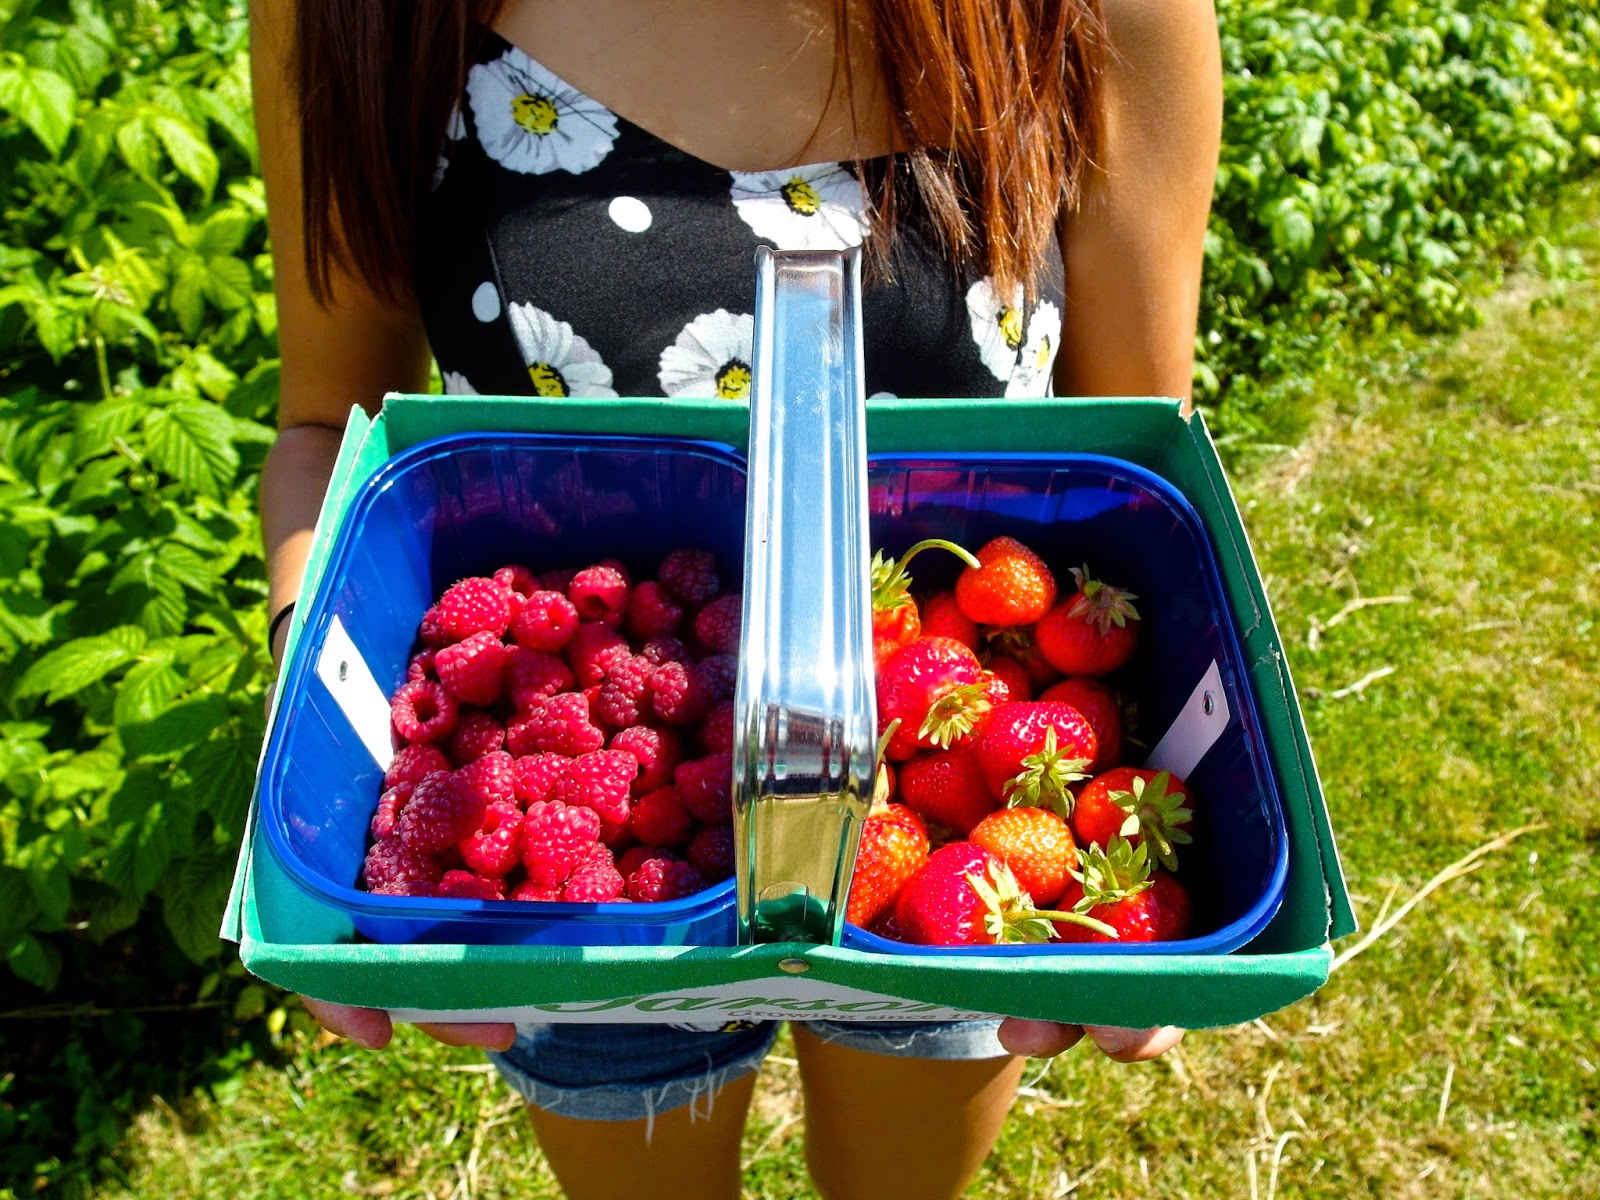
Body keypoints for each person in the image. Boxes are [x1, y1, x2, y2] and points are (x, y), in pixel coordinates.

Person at [252, 0, 1218, 1195]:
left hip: (946, 827)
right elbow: (323, 427)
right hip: (588, 921)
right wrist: (317, 746)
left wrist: (1144, 914)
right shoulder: (353, 18)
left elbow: (1125, 455)